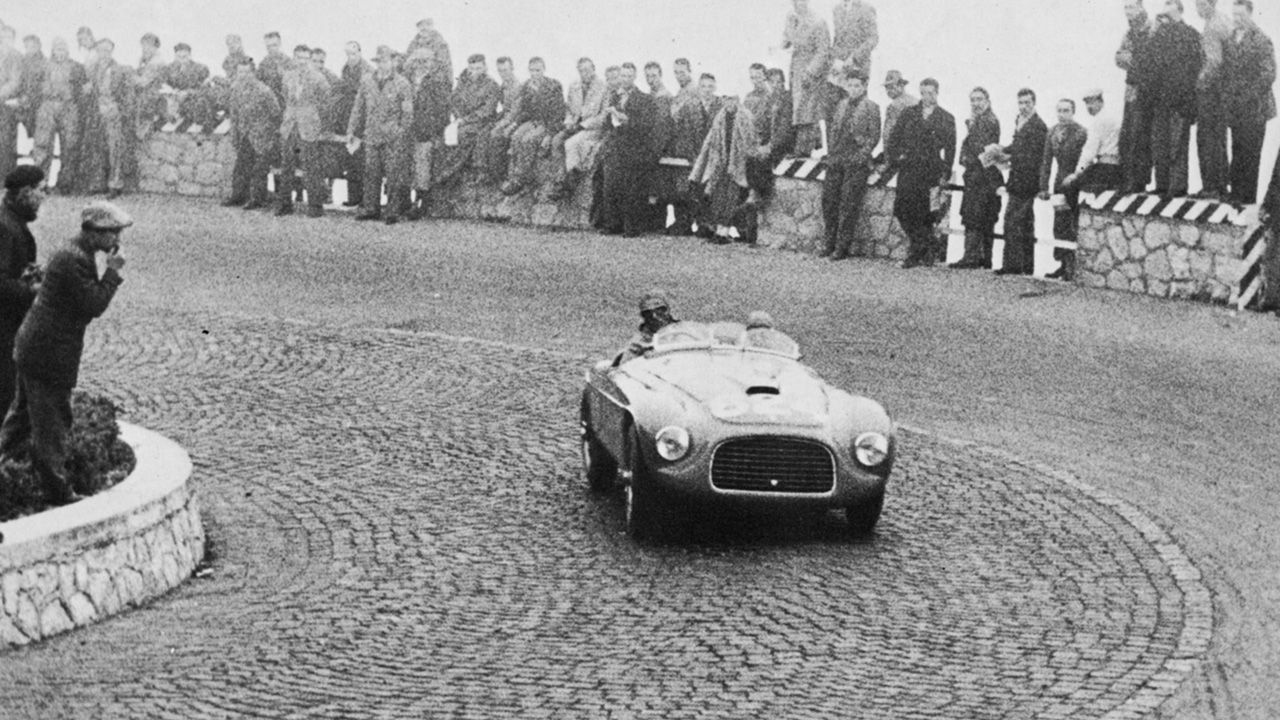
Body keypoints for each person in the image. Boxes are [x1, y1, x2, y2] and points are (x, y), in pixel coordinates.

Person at [0, 200, 128, 506]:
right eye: (113, 233)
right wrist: (111, 273)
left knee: (20, 421)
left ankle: (7, 467)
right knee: (52, 423)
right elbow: (93, 305)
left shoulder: (77, 251)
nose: (117, 241)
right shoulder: (75, 259)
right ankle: (58, 493)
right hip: (47, 355)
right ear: (95, 232)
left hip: (34, 348)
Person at [885, 77, 956, 268]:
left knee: (924, 213)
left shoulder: (946, 118)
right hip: (908, 168)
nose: (926, 97)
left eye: (930, 93)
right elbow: (894, 138)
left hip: (930, 170)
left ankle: (916, 254)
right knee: (901, 209)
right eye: (923, 93)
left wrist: (945, 174)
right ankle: (929, 244)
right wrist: (895, 159)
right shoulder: (909, 113)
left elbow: (950, 150)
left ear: (937, 93)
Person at [347, 46, 414, 224]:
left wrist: (400, 132)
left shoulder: (402, 83)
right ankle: (371, 208)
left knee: (394, 175)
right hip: (372, 134)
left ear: (393, 62)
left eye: (386, 61)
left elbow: (407, 113)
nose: (382, 65)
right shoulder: (367, 81)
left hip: (392, 137)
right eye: (379, 61)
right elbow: (358, 108)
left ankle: (392, 210)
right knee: (371, 173)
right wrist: (352, 131)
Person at [820, 67, 881, 260]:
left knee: (848, 204)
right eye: (850, 85)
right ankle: (828, 243)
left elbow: (874, 136)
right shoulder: (841, 104)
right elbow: (832, 130)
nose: (853, 89)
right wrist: (831, 153)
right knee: (829, 201)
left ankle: (841, 247)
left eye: (857, 85)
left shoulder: (871, 107)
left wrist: (862, 156)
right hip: (837, 158)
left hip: (856, 161)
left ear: (864, 87)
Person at [1144, 0, 1202, 198]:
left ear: (1179, 11)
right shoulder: (1159, 36)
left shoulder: (1192, 35)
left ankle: (1176, 187)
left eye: (1169, 14)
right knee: (1160, 145)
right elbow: (1151, 65)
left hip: (1180, 102)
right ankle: (1162, 185)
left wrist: (1190, 102)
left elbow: (1195, 71)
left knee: (1177, 146)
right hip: (1161, 101)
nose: (1166, 18)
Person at [0, 166, 45, 417]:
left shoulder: (11, 221)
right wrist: (34, 289)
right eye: (41, 190)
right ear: (26, 193)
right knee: (4, 391)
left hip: (9, 325)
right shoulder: (6, 227)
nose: (44, 196)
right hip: (4, 328)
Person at [596, 63, 659, 237]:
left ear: (634, 77)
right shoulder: (614, 97)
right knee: (611, 186)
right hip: (616, 146)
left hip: (634, 148)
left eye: (629, 76)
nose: (625, 80)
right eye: (623, 76)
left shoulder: (644, 99)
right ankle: (612, 224)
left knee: (631, 190)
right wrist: (611, 118)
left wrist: (627, 120)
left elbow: (647, 126)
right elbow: (607, 124)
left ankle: (631, 228)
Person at [1223, 0, 1275, 205]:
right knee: (1236, 150)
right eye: (1234, 15)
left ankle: (1247, 200)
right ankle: (1236, 194)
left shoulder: (1261, 40)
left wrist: (1246, 95)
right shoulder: (1230, 38)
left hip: (1255, 108)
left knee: (1250, 155)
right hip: (1236, 108)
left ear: (1250, 15)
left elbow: (1268, 74)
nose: (1237, 19)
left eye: (1241, 16)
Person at [689, 96, 758, 242]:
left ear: (737, 99)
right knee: (718, 198)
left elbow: (750, 141)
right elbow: (711, 140)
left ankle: (725, 232)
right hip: (720, 164)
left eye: (732, 99)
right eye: (726, 99)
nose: (729, 102)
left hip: (737, 165)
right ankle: (718, 230)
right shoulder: (719, 117)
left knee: (732, 199)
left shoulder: (745, 116)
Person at [997, 88, 1048, 276]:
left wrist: (1009, 156)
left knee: (1013, 221)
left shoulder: (1038, 125)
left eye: (1027, 103)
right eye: (1021, 103)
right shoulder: (1020, 120)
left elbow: (1034, 156)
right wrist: (1003, 150)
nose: (1024, 106)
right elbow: (1017, 146)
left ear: (1034, 103)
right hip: (1017, 179)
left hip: (1026, 181)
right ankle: (1024, 266)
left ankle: (1012, 266)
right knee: (1024, 224)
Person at [951, 87, 1003, 269]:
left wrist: (967, 159)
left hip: (981, 177)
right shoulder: (978, 120)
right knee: (980, 217)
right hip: (978, 176)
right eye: (972, 100)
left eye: (979, 99)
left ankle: (972, 257)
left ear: (987, 100)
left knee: (975, 216)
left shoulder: (987, 121)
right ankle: (982, 258)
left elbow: (980, 150)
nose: (975, 103)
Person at [277, 44, 330, 217]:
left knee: (311, 167)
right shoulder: (287, 77)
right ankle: (285, 204)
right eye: (299, 58)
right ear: (294, 58)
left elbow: (325, 102)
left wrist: (315, 119)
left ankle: (315, 206)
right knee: (287, 166)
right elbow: (286, 97)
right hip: (290, 126)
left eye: (306, 59)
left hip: (308, 126)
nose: (302, 62)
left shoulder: (318, 78)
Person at [1039, 99, 1088, 280]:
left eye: (1066, 110)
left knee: (1072, 224)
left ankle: (1072, 266)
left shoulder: (1081, 133)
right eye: (1059, 110)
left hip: (1074, 184)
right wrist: (1043, 186)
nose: (1062, 114)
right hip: (1059, 185)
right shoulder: (1052, 132)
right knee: (1059, 224)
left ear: (1073, 112)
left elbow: (1086, 161)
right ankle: (1061, 264)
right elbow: (1046, 161)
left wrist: (1079, 179)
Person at [434, 53, 501, 187]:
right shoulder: (464, 83)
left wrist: (465, 120)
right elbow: (454, 100)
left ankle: (450, 172)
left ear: (485, 68)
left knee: (463, 136)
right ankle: (444, 172)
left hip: (482, 122)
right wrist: (459, 118)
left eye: (478, 68)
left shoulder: (492, 85)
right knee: (444, 137)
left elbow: (486, 111)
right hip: (463, 120)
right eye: (472, 69)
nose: (475, 72)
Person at [499, 57, 564, 195]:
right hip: (532, 121)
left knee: (528, 140)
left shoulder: (553, 86)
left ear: (544, 69)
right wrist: (514, 124)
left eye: (538, 70)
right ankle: (513, 176)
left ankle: (519, 179)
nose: (535, 74)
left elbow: (558, 114)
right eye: (532, 70)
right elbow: (524, 111)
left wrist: (550, 134)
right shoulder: (526, 86)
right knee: (516, 137)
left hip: (547, 123)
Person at [225, 57, 281, 210]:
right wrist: (235, 134)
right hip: (245, 134)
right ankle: (238, 197)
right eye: (240, 72)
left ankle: (258, 199)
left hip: (262, 136)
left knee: (259, 169)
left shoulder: (264, 91)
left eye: (246, 72)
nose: (243, 75)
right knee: (240, 167)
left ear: (253, 72)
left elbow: (276, 113)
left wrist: (267, 132)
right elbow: (234, 115)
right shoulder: (236, 90)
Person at [32, 38, 88, 191]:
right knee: (42, 145)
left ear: (68, 51)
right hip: (47, 105)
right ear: (52, 50)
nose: (60, 53)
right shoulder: (43, 66)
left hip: (68, 106)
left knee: (70, 145)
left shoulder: (77, 67)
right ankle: (40, 183)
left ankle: (66, 184)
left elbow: (83, 90)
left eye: (63, 49)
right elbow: (33, 87)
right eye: (57, 49)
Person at [669, 73, 722, 236]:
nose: (707, 90)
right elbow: (682, 132)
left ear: (715, 88)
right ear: (699, 88)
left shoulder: (720, 107)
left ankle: (705, 226)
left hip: (712, 157)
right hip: (693, 156)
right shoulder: (689, 106)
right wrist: (692, 155)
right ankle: (685, 223)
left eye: (710, 87)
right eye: (703, 86)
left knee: (709, 192)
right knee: (688, 191)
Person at [1192, 0, 1234, 200]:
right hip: (1224, 91)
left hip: (1211, 92)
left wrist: (1198, 84)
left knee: (1206, 138)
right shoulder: (1225, 20)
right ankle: (1220, 185)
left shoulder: (1212, 26)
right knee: (1219, 139)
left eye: (1200, 4)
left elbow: (1214, 62)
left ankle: (1210, 186)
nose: (1197, 8)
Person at [548, 57, 607, 200]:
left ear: (594, 69)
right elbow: (568, 109)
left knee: (571, 144)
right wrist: (569, 122)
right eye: (581, 70)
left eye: (587, 69)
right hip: (574, 125)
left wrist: (584, 125)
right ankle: (559, 180)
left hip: (592, 128)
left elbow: (603, 115)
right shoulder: (574, 86)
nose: (585, 73)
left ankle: (570, 183)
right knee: (557, 141)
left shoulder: (603, 87)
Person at [782, 0, 832, 156]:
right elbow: (785, 42)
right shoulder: (792, 18)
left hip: (811, 74)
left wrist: (810, 72)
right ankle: (799, 148)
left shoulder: (818, 21)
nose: (798, 4)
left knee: (808, 113)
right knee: (798, 111)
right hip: (796, 70)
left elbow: (823, 51)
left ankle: (804, 150)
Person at [407, 46, 451, 220]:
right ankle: (406, 201)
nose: (421, 64)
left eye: (425, 61)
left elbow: (443, 110)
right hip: (409, 129)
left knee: (422, 167)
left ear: (432, 63)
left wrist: (436, 132)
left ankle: (421, 203)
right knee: (409, 167)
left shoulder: (438, 82)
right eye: (418, 61)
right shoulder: (409, 80)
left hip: (426, 130)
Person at [1118, 0, 1156, 193]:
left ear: (1141, 7)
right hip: (1132, 88)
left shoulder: (1152, 28)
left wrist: (1134, 60)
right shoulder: (1129, 32)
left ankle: (1139, 180)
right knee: (1128, 134)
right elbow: (1119, 56)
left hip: (1148, 90)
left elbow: (1152, 58)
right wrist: (1132, 59)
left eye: (1131, 6)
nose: (1128, 11)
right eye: (1125, 7)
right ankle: (1128, 178)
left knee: (1142, 136)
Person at [90, 38, 134, 200]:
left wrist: (122, 112)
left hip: (113, 111)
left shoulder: (119, 70)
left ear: (112, 52)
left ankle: (115, 185)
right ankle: (99, 183)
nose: (104, 54)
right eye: (101, 50)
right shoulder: (93, 69)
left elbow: (127, 95)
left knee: (115, 148)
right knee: (98, 147)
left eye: (107, 51)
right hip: (97, 112)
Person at [1065, 89, 1124, 192]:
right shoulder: (1114, 117)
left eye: (1092, 102)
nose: (1089, 107)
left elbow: (1089, 151)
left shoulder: (1098, 121)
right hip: (1118, 168)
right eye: (1087, 103)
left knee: (1068, 186)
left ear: (1101, 102)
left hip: (1105, 167)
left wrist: (1077, 172)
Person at [477, 56, 522, 183]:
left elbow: (515, 112)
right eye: (500, 71)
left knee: (495, 135)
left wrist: (501, 124)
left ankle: (498, 175)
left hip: (516, 120)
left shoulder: (517, 86)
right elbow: (503, 107)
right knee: (483, 132)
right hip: (506, 116)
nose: (503, 74)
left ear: (512, 68)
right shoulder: (504, 84)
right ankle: (483, 171)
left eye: (506, 70)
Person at [875, 69, 918, 181]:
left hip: (898, 156)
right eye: (887, 88)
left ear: (901, 86)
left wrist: (887, 161)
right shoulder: (916, 102)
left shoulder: (894, 105)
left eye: (891, 87)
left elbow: (888, 135)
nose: (888, 91)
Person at [617, 290, 678, 364]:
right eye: (648, 313)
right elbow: (624, 365)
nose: (655, 316)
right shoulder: (638, 341)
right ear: (644, 317)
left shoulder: (686, 328)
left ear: (667, 310)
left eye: (660, 310)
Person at [163, 43, 210, 123]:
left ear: (190, 56)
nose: (181, 59)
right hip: (173, 100)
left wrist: (188, 93)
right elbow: (163, 84)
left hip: (191, 100)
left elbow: (205, 88)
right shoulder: (168, 69)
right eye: (178, 57)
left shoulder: (201, 69)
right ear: (175, 56)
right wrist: (171, 91)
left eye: (184, 56)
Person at [831, 0, 879, 77]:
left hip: (858, 68)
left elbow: (873, 38)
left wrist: (854, 58)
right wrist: (835, 59)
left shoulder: (866, 8)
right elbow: (838, 38)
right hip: (839, 68)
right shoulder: (837, 9)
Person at [1259, 145, 1280, 315]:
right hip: (1277, 212)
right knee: (1271, 256)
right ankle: (1271, 299)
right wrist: (1266, 204)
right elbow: (1276, 177)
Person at [0, 26, 22, 180]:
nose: (5, 40)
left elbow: (15, 81)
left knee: (6, 141)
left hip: (7, 103)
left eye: (8, 37)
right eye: (3, 36)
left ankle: (5, 177)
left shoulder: (15, 56)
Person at [257, 32, 288, 102]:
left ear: (280, 43)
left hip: (285, 103)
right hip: (269, 103)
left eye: (274, 45)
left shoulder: (288, 63)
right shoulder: (263, 65)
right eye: (268, 46)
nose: (271, 49)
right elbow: (259, 84)